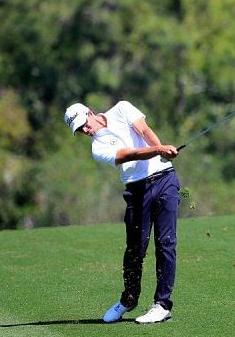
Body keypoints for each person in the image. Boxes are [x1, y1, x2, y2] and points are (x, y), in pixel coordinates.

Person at [64, 101, 180, 324]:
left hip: (165, 180)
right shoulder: (98, 149)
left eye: (84, 125)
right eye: (80, 131)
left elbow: (144, 131)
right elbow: (131, 154)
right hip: (137, 191)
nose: (85, 131)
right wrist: (158, 150)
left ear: (89, 112)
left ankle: (162, 304)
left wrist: (163, 153)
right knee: (135, 250)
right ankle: (128, 299)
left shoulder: (122, 108)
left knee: (166, 243)